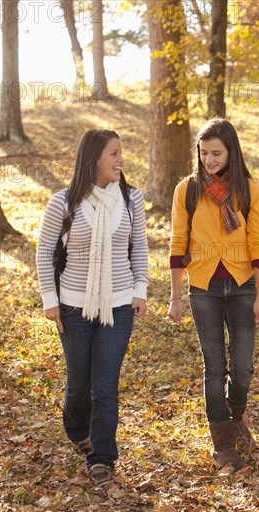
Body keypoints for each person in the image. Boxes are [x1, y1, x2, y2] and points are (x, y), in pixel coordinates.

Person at [36, 129, 149, 486]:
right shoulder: (64, 202)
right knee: (79, 384)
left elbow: (139, 249)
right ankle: (76, 429)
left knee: (105, 385)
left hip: (119, 307)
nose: (121, 160)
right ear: (94, 160)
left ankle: (102, 457)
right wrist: (50, 301)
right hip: (73, 307)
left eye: (121, 153)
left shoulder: (132, 199)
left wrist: (140, 289)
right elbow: (43, 252)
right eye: (114, 154)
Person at [168, 118, 259, 473]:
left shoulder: (249, 190)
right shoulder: (188, 191)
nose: (209, 159)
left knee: (242, 368)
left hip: (242, 285)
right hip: (203, 288)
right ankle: (223, 445)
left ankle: (236, 414)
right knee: (214, 368)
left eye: (216, 153)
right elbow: (178, 243)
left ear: (231, 152)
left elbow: (258, 242)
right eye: (204, 152)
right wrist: (175, 295)